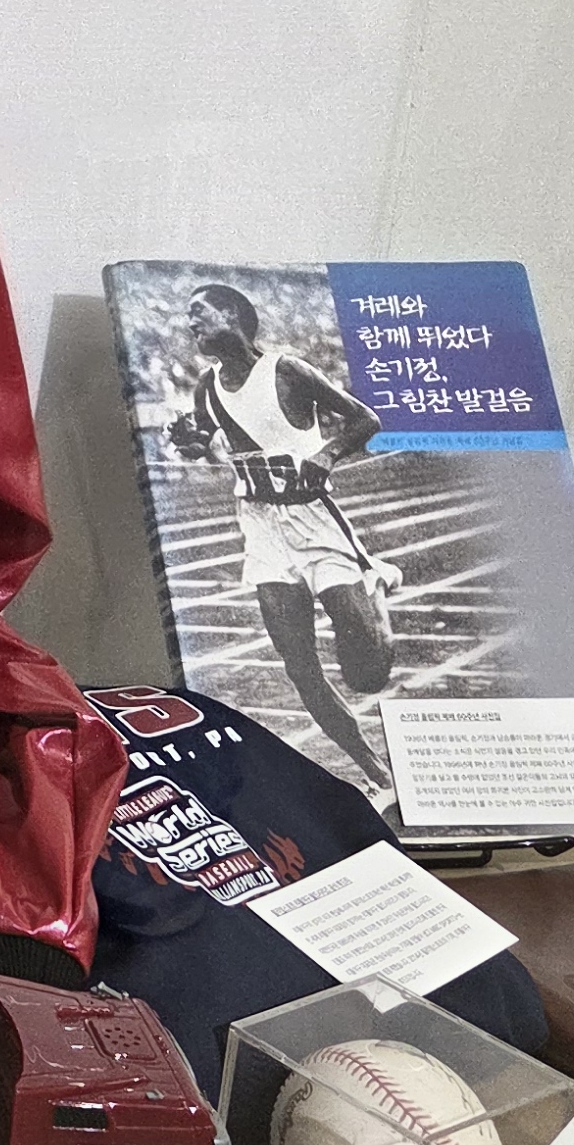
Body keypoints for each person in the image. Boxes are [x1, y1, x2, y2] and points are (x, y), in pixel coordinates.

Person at [163, 282, 399, 793]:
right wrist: (188, 441)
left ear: (233, 314)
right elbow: (202, 441)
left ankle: (376, 585)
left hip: (312, 518)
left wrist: (326, 455)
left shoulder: (286, 370)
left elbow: (366, 419)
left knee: (369, 673)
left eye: (199, 312)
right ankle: (373, 770)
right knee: (299, 666)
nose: (191, 322)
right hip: (260, 527)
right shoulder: (207, 387)